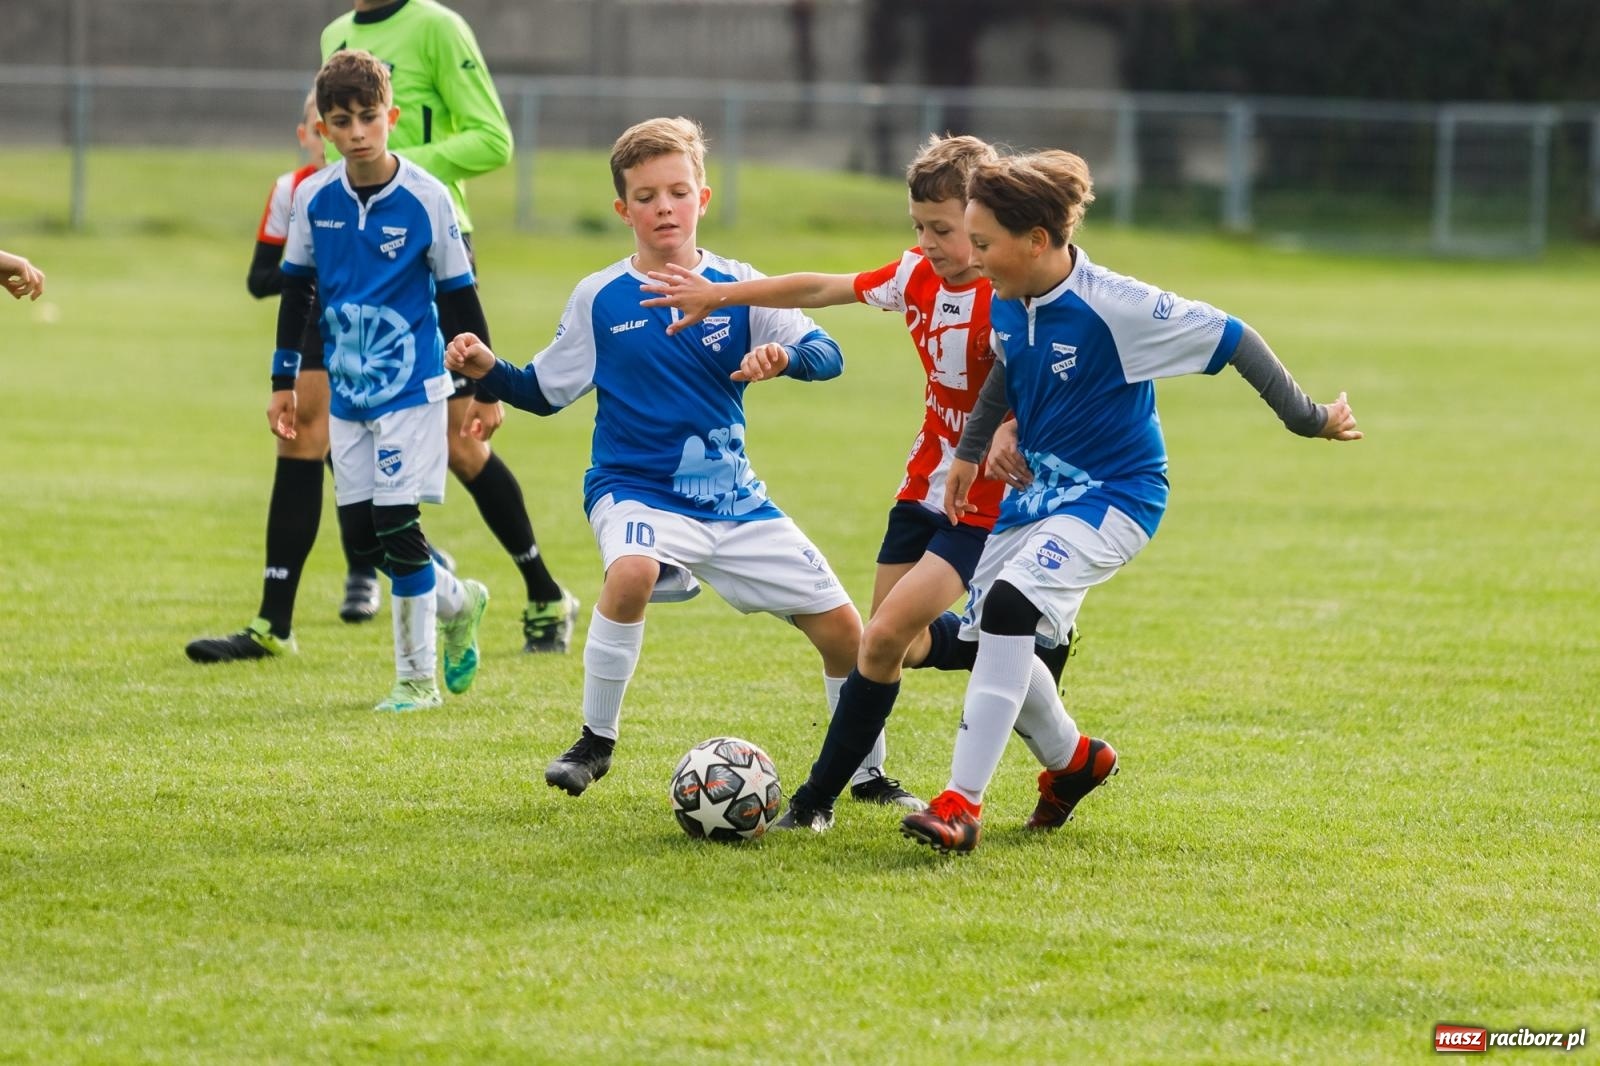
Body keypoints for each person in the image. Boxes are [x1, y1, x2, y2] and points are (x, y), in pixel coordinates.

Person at [898, 149, 1362, 854]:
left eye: (984, 244)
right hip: (1035, 499)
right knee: (999, 640)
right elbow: (1007, 364)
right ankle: (1076, 762)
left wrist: (1310, 418)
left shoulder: (1115, 306)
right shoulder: (1006, 293)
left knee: (1009, 610)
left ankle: (961, 804)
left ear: (1038, 241)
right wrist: (972, 450)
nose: (973, 259)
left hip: (1117, 495)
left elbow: (1234, 336)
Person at [445, 116, 911, 801]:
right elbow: (542, 392)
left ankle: (868, 777)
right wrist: (488, 368)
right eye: (646, 195)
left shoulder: (740, 286)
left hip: (734, 499)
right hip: (635, 489)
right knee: (630, 572)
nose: (664, 206)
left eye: (677, 191)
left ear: (703, 198)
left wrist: (785, 358)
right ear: (622, 209)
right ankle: (595, 742)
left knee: (847, 632)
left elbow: (830, 354)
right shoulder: (600, 297)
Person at [639, 133, 1077, 825]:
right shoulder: (915, 275)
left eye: (944, 230)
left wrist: (1009, 429)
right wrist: (722, 294)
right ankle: (1017, 657)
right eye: (919, 227)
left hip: (988, 497)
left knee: (883, 639)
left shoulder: (1017, 295)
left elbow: (1052, 384)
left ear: (983, 222)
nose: (928, 242)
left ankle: (815, 802)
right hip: (923, 482)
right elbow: (822, 286)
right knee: (891, 641)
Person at [322, 0, 578, 654]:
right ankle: (424, 571)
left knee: (463, 442)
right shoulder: (335, 35)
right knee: (342, 427)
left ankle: (544, 594)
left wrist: (399, 168)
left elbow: (492, 137)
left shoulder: (437, 25)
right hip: (361, 257)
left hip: (432, 247)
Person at [267, 49, 492, 712]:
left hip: (413, 391)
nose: (358, 130)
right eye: (343, 120)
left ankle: (415, 682)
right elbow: (295, 292)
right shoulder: (314, 198)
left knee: (397, 523)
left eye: (369, 116)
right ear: (325, 129)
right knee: (364, 539)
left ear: (390, 116)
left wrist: (484, 388)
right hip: (347, 392)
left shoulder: (428, 197)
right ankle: (460, 601)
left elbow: (461, 299)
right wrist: (284, 380)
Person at [186, 92, 391, 665]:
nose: (343, 134)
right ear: (313, 131)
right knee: (305, 442)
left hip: (380, 337)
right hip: (314, 331)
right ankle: (274, 620)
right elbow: (266, 278)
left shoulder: (405, 190)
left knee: (377, 473)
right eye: (331, 124)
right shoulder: (298, 191)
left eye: (362, 119)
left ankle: (435, 584)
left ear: (387, 121)